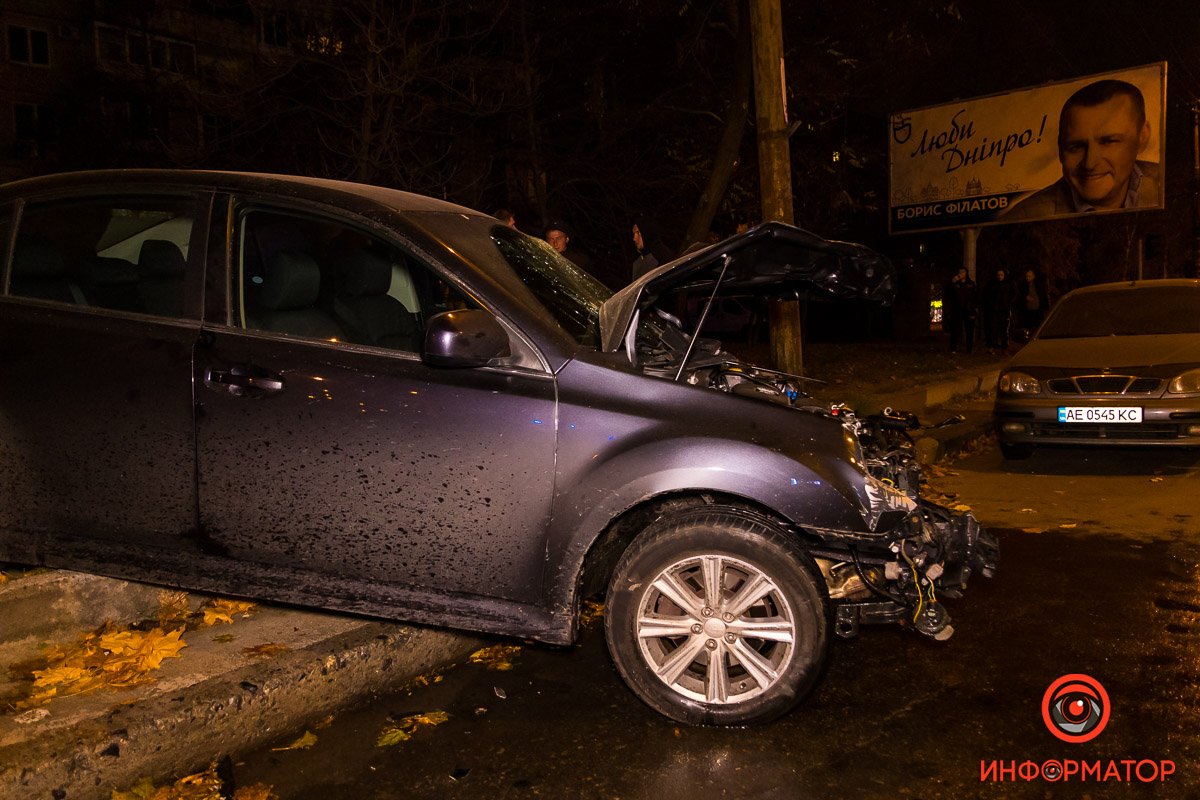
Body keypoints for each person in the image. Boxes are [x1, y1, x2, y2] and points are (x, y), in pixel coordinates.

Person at [1005, 79, 1160, 221]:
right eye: (1076, 147)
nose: (1089, 163)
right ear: (1060, 148)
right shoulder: (1020, 221)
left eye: (1108, 142)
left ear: (1142, 137)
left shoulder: (1173, 188)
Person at [980, 268, 1016, 352]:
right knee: (993, 328)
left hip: (1005, 309)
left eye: (1001, 275)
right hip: (994, 310)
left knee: (1004, 329)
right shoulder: (992, 284)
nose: (1000, 277)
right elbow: (986, 295)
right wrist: (990, 304)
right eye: (998, 275)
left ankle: (1004, 347)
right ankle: (992, 345)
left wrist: (1008, 303)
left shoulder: (1009, 283)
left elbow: (1015, 294)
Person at [943, 267, 978, 353]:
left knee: (969, 330)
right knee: (955, 329)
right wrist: (952, 282)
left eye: (963, 272)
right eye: (959, 272)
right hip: (957, 310)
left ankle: (969, 349)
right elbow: (947, 293)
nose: (960, 274)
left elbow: (975, 297)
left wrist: (974, 309)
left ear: (966, 273)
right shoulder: (955, 284)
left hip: (968, 309)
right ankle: (953, 348)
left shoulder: (971, 284)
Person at [1014, 269, 1047, 338]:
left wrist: (1044, 306)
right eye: (1027, 276)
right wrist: (1025, 297)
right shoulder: (1023, 285)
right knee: (1029, 324)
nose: (1028, 278)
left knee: (1038, 323)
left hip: (1037, 308)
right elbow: (1020, 295)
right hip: (1027, 309)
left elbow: (1043, 295)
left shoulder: (1038, 284)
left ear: (1033, 276)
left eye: (1029, 276)